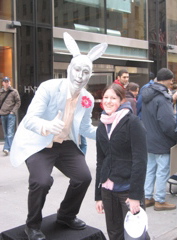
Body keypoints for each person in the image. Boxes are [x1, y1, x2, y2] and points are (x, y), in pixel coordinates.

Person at [10, 32, 108, 240]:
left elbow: (84, 128)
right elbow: (29, 120)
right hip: (38, 142)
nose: (81, 76)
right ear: (69, 69)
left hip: (65, 144)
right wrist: (47, 124)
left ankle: (66, 215)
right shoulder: (49, 88)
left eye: (86, 72)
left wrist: (107, 131)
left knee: (83, 177)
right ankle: (32, 225)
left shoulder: (87, 98)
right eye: (77, 70)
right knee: (42, 181)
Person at [95, 83, 148, 240]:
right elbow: (100, 160)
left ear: (121, 100)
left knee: (136, 234)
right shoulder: (102, 125)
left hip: (127, 189)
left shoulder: (132, 122)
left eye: (113, 98)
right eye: (106, 97)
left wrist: (135, 195)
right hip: (107, 190)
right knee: (115, 234)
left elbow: (140, 160)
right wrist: (98, 196)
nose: (109, 101)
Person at [141, 68, 177, 211]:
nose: (172, 82)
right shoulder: (163, 97)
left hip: (148, 138)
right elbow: (168, 124)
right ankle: (160, 201)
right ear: (167, 80)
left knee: (150, 169)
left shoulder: (147, 94)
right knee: (162, 171)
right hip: (162, 141)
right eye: (171, 80)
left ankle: (147, 197)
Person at [0, 76, 21, 155]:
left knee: (10, 132)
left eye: (8, 81)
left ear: (10, 82)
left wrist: (13, 111)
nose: (7, 83)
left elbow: (18, 102)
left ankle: (6, 148)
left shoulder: (14, 91)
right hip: (3, 114)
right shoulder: (1, 92)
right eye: (5, 82)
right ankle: (10, 147)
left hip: (10, 115)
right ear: (3, 83)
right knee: (5, 133)